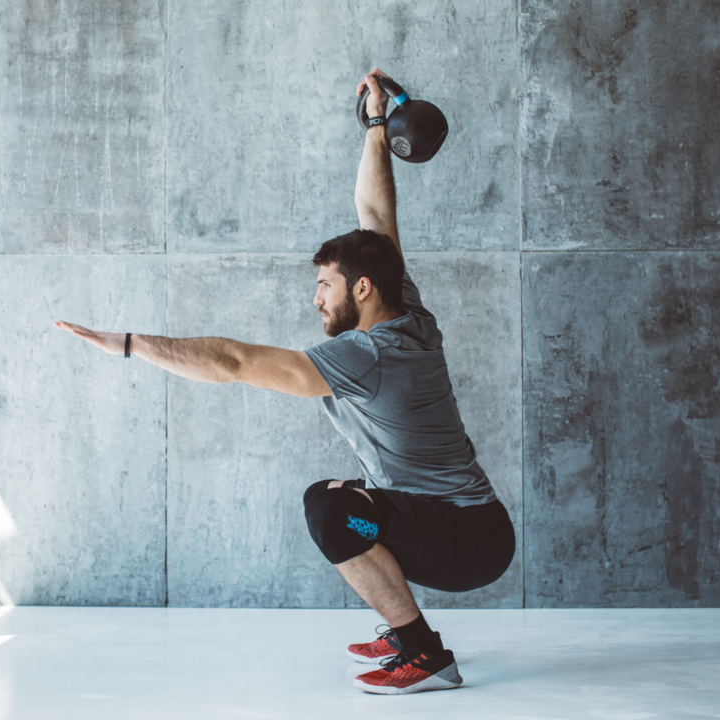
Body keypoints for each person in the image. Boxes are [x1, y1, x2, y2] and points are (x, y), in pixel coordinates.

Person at [56, 69, 515, 695]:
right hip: (472, 525)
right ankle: (404, 630)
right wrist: (377, 124)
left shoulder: (368, 353)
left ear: (361, 289)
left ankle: (425, 654)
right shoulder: (405, 310)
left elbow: (236, 363)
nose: (316, 300)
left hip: (470, 538)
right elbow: (376, 214)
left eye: (324, 286)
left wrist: (131, 344)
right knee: (331, 497)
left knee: (333, 513)